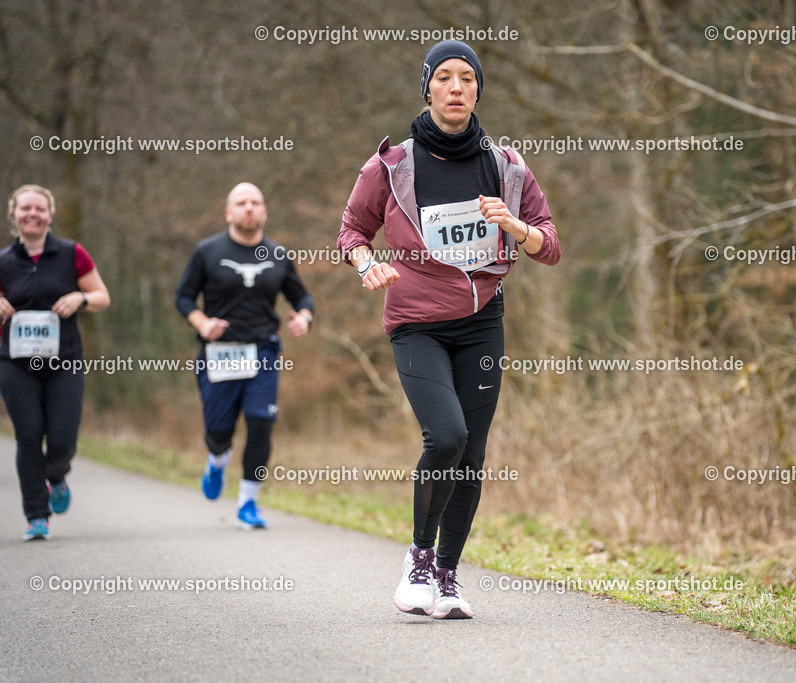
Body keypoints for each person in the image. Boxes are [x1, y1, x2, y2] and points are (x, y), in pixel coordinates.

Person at [338, 40, 561, 618]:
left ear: (479, 89)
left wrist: (513, 224)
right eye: (445, 77)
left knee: (474, 454)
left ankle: (448, 576)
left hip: (482, 324)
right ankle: (417, 559)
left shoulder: (506, 165)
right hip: (416, 324)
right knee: (446, 437)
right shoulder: (390, 165)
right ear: (428, 89)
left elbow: (550, 245)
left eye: (467, 77)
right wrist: (368, 265)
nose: (457, 86)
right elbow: (351, 232)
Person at [175, 182, 314, 530]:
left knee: (261, 423)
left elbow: (302, 298)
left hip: (263, 350)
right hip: (219, 353)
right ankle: (217, 459)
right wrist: (202, 322)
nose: (248, 208)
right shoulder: (207, 251)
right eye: (241, 202)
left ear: (265, 211)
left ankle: (248, 503)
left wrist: (304, 318)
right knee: (219, 430)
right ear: (229, 212)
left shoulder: (278, 255)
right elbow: (184, 297)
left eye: (255, 202)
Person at [0, 184, 110, 541]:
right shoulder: (3, 261)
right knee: (29, 436)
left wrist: (80, 297)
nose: (32, 214)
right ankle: (36, 516)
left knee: (62, 439)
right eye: (25, 208)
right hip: (15, 363)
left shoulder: (71, 253)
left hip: (64, 361)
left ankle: (58, 475)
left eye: (40, 209)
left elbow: (101, 296)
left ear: (50, 215)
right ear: (13, 214)